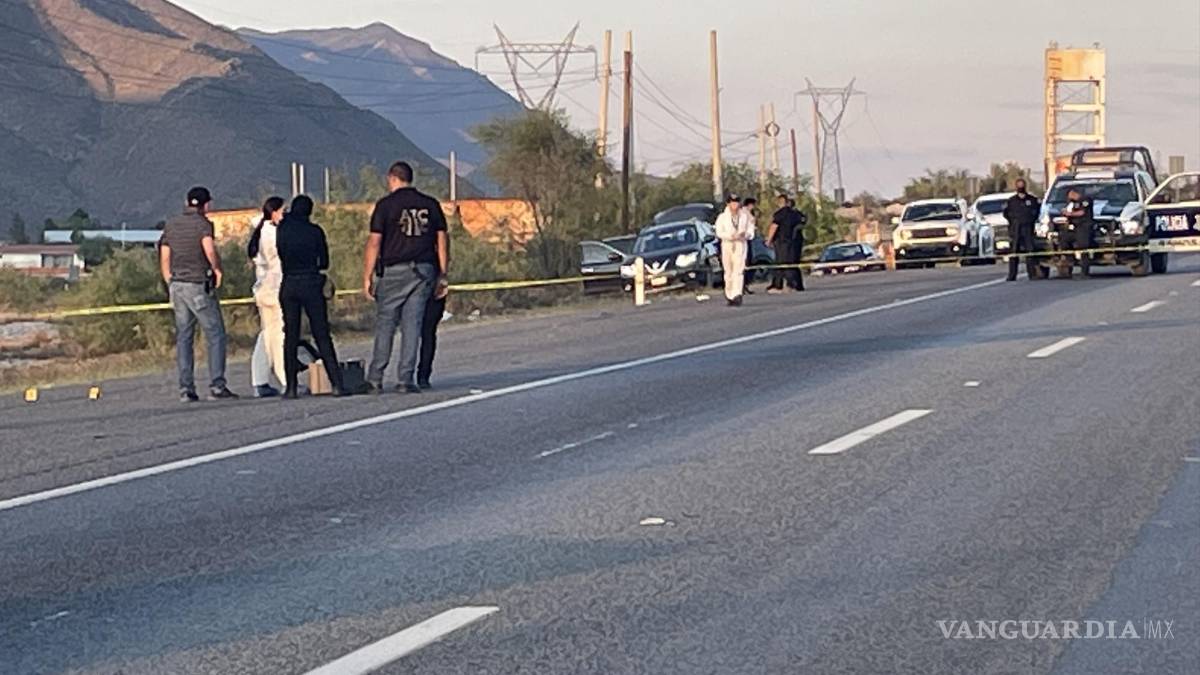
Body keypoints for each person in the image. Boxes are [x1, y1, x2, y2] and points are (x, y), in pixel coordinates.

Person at [362, 161, 450, 393]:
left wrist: (367, 275)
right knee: (413, 325)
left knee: (386, 324)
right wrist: (443, 272)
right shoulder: (430, 204)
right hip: (423, 270)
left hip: (393, 271)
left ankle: (375, 378)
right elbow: (442, 239)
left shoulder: (385, 206)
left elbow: (374, 242)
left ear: (392, 178)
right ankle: (405, 379)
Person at [159, 186, 238, 402]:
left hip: (177, 284)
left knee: (184, 336)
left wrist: (169, 280)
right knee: (214, 333)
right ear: (207, 205)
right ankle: (217, 385)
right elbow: (209, 249)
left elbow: (164, 255)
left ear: (186, 202)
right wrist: (218, 269)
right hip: (197, 284)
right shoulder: (203, 225)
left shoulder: (171, 225)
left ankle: (186, 388)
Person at [276, 195, 345, 399]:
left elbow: (281, 254)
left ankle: (290, 387)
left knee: (291, 335)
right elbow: (324, 262)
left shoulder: (283, 230)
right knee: (321, 333)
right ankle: (337, 383)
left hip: (289, 283)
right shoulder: (315, 231)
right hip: (311, 282)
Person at [248, 196, 287, 397]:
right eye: (282, 211)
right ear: (274, 212)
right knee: (279, 335)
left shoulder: (259, 231)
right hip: (276, 288)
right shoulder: (274, 233)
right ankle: (285, 379)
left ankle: (260, 379)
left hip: (262, 289)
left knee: (266, 334)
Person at [416, 204, 455, 390]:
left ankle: (408, 373)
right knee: (428, 332)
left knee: (415, 329)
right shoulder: (439, 234)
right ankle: (423, 374)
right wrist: (443, 275)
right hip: (433, 277)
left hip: (419, 279)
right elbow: (445, 251)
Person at [714, 194, 751, 306]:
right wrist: (730, 236)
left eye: (736, 202)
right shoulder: (722, 217)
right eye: (732, 202)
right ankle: (729, 294)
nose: (734, 205)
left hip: (740, 244)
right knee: (728, 271)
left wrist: (745, 235)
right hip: (727, 244)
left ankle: (737, 294)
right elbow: (719, 232)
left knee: (738, 270)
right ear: (728, 204)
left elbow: (751, 231)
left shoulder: (744, 216)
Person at [766, 194, 806, 293]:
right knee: (793, 263)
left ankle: (779, 285)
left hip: (782, 242)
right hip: (794, 242)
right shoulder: (796, 214)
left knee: (781, 263)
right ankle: (796, 285)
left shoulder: (779, 214)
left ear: (779, 203)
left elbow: (774, 227)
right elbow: (802, 223)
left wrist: (769, 240)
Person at [1002, 179, 1040, 281]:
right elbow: (1006, 213)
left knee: (1030, 252)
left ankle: (1032, 274)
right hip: (1016, 229)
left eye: (1022, 185)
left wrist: (1030, 220)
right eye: (1018, 185)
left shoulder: (1032, 200)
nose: (1020, 187)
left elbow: (1036, 212)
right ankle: (1012, 275)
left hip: (1028, 229)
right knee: (1014, 253)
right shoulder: (1011, 201)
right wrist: (1013, 221)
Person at [1060, 187, 1094, 278]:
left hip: (1084, 227)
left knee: (1083, 248)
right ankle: (1070, 262)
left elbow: (1082, 212)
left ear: (1073, 193)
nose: (1069, 198)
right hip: (1075, 228)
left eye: (1070, 195)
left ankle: (1085, 272)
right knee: (1064, 241)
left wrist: (1070, 214)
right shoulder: (1073, 204)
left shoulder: (1085, 200)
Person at [741, 197, 759, 294]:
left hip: (749, 239)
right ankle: (742, 286)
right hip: (744, 240)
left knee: (749, 263)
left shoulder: (749, 213)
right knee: (745, 263)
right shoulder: (743, 213)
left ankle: (746, 285)